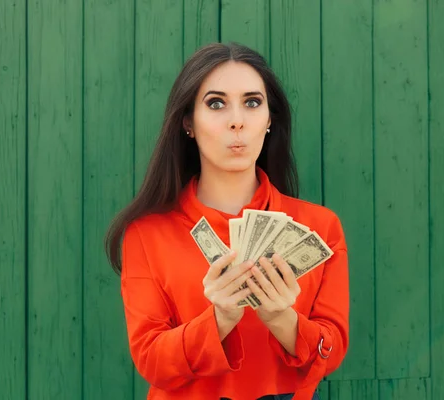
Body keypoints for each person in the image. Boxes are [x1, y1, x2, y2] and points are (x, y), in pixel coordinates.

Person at [104, 42, 350, 400]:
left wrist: (283, 319)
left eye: (252, 102)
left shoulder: (321, 227)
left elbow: (332, 350)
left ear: (269, 120)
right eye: (216, 103)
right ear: (188, 122)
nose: (237, 120)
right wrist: (218, 319)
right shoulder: (147, 234)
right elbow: (151, 361)